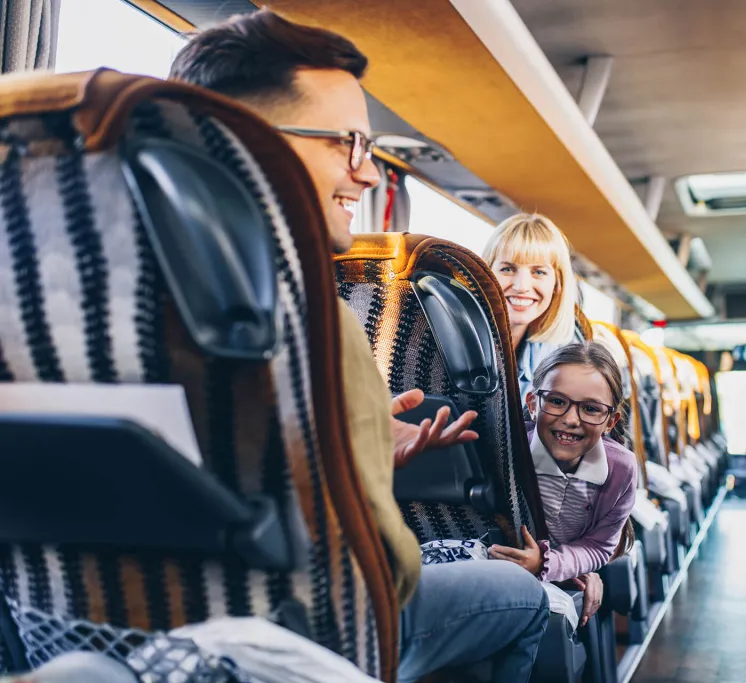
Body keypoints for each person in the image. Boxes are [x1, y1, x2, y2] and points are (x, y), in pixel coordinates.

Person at [169, 12, 548, 683]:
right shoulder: (309, 312)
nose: (369, 175)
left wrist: (365, 446)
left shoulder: (67, 295)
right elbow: (389, 569)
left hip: (126, 638)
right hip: (307, 640)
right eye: (350, 144)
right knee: (523, 596)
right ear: (252, 143)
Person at [490, 342, 637, 627]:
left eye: (591, 409)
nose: (570, 420)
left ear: (610, 421)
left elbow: (599, 546)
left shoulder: (621, 468)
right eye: (557, 401)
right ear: (533, 403)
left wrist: (547, 564)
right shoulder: (506, 449)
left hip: (568, 566)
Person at [481, 213, 580, 403]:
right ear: (485, 275)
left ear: (557, 285)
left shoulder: (556, 359)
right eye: (508, 269)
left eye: (539, 272)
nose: (522, 286)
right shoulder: (449, 344)